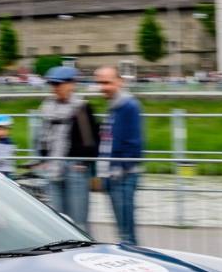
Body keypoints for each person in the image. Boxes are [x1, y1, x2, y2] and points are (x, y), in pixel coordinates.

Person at [35, 66, 98, 230]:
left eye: (58, 84)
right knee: (56, 220)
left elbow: (91, 139)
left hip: (75, 169)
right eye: (53, 84)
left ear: (71, 84)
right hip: (53, 167)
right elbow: (43, 136)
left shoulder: (82, 107)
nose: (55, 88)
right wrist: (43, 159)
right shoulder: (47, 107)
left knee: (79, 222)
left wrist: (82, 163)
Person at [94, 65, 144, 244]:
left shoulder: (128, 106)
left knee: (126, 234)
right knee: (123, 231)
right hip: (112, 174)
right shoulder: (114, 106)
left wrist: (120, 169)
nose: (103, 87)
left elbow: (135, 143)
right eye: (100, 83)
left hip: (122, 176)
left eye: (107, 82)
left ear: (119, 82)